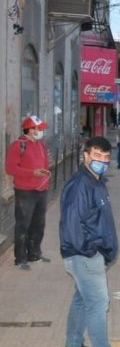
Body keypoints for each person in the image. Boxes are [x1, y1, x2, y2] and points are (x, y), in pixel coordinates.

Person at [59, 136, 120, 347]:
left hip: (88, 255)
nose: (102, 160)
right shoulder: (81, 184)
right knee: (98, 304)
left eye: (105, 157)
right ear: (86, 156)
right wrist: (91, 251)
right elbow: (73, 224)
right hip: (84, 256)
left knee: (82, 299)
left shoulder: (96, 181)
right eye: (97, 156)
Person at [5, 115, 51, 270]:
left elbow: (45, 165)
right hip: (25, 192)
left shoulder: (40, 145)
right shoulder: (17, 145)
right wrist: (32, 173)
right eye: (38, 128)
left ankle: (34, 254)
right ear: (29, 129)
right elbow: (10, 168)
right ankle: (20, 259)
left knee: (39, 224)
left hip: (41, 191)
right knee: (23, 225)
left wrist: (45, 175)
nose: (40, 131)